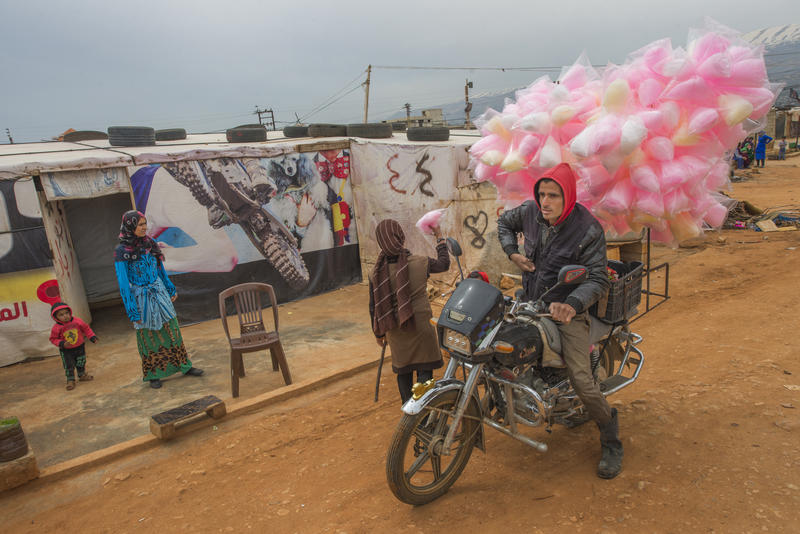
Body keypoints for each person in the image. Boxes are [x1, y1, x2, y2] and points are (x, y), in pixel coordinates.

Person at [496, 162, 622, 479]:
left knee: (582, 380)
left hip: (567, 312)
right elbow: (504, 224)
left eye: (553, 195)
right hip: (530, 301)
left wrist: (571, 304)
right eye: (542, 194)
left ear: (568, 196)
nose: (545, 201)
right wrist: (512, 252)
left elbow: (598, 279)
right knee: (495, 344)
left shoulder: (588, 229)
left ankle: (611, 439)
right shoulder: (530, 212)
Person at [114, 210, 203, 389]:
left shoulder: (150, 243)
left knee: (172, 329)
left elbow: (160, 269)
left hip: (159, 292)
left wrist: (170, 287)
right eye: (140, 224)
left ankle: (185, 366)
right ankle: (154, 374)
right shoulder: (121, 251)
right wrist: (131, 308)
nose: (144, 227)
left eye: (145, 224)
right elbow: (123, 283)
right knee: (149, 335)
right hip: (141, 297)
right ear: (130, 226)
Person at [368, 219, 449, 404]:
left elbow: (373, 307)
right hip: (422, 328)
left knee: (403, 372)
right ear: (401, 237)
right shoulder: (420, 262)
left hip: (395, 330)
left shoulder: (375, 274)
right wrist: (439, 236)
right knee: (425, 371)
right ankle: (425, 412)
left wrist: (378, 333)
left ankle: (409, 412)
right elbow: (444, 264)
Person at [49, 301, 97, 390]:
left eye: (66, 313)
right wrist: (62, 343)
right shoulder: (56, 328)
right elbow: (53, 339)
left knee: (81, 361)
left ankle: (82, 375)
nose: (65, 316)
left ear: (70, 312)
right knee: (69, 365)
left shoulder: (77, 321)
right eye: (61, 315)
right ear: (55, 317)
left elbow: (86, 328)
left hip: (80, 347)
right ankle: (70, 380)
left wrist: (92, 336)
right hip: (66, 350)